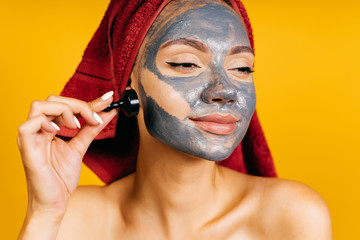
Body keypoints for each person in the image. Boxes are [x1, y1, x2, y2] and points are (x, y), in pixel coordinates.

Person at [17, 0, 332, 239]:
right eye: (186, 63)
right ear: (128, 84)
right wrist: (44, 215)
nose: (225, 91)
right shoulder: (76, 220)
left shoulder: (292, 216)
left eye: (241, 68)